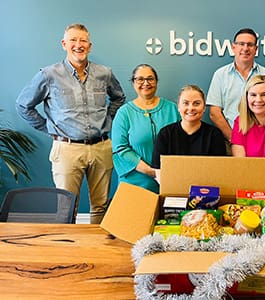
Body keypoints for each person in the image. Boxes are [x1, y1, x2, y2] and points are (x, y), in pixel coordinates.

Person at [15, 23, 126, 224]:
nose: (78, 45)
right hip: (67, 149)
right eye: (73, 40)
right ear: (64, 44)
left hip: (101, 147)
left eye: (83, 40)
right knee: (66, 208)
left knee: (101, 205)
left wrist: (107, 120)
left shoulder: (104, 73)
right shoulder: (49, 74)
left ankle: (97, 251)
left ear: (90, 46)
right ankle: (68, 254)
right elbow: (24, 105)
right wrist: (50, 128)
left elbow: (118, 98)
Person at [206, 28, 265, 152]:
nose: (245, 48)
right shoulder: (220, 75)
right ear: (233, 47)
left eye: (250, 45)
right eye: (241, 44)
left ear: (256, 49)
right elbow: (214, 113)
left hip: (262, 143)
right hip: (229, 142)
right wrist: (234, 139)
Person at [111, 64, 180, 194]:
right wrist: (152, 172)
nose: (145, 83)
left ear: (156, 81)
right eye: (140, 79)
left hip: (170, 180)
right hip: (135, 182)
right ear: (133, 82)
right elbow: (120, 148)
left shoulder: (173, 109)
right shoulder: (124, 113)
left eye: (150, 79)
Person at [152, 84, 226, 174]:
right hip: (173, 186)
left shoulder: (214, 135)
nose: (191, 108)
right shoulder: (165, 134)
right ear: (178, 107)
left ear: (204, 108)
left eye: (197, 103)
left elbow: (218, 170)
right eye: (185, 103)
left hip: (205, 187)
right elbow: (158, 170)